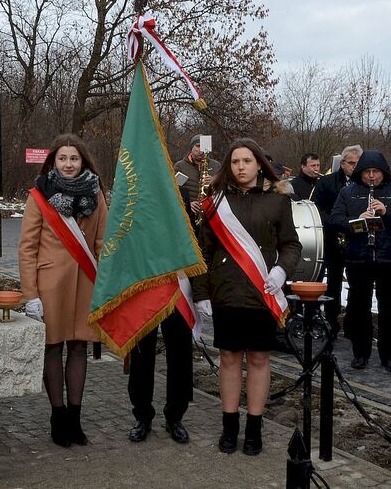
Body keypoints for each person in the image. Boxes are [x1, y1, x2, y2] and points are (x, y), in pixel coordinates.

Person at [192, 138, 302, 456]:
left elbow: (291, 244)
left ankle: (254, 429)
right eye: (235, 162)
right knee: (228, 360)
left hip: (261, 293)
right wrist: (201, 294)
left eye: (247, 161)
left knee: (258, 360)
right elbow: (203, 250)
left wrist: (282, 271)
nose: (241, 167)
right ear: (229, 165)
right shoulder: (215, 201)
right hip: (225, 293)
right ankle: (229, 428)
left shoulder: (277, 199)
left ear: (258, 165)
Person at [18, 133, 108, 446]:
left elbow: (101, 243)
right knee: (53, 347)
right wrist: (30, 294)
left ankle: (75, 417)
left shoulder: (96, 195)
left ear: (83, 161)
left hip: (86, 281)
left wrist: (106, 285)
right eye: (62, 158)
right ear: (53, 161)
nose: (68, 164)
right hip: (50, 286)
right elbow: (27, 248)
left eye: (74, 158)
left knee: (80, 346)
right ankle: (57, 416)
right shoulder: (39, 195)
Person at [330, 150, 391, 373]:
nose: (371, 176)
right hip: (358, 259)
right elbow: (335, 220)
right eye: (367, 172)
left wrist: (386, 212)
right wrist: (356, 221)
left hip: (388, 259)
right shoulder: (348, 192)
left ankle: (389, 356)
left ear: (383, 172)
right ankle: (360, 353)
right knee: (359, 308)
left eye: (375, 172)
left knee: (389, 309)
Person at [127, 183, 195, 444]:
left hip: (176, 285)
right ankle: (142, 415)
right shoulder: (136, 191)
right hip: (145, 284)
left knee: (180, 355)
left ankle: (175, 416)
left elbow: (192, 240)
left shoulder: (181, 190)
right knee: (142, 354)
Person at [311, 145, 363, 337]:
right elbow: (317, 208)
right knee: (334, 283)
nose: (355, 167)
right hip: (333, 238)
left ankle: (352, 323)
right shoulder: (328, 182)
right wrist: (337, 223)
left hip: (357, 239)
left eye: (358, 163)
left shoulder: (363, 182)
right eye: (351, 163)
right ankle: (331, 322)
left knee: (357, 285)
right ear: (342, 163)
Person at [174, 133, 221, 222]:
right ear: (191, 148)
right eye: (198, 146)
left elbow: (225, 189)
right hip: (187, 216)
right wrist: (188, 204)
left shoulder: (216, 166)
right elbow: (173, 191)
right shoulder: (180, 166)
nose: (201, 150)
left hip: (211, 215)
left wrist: (215, 181)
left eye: (204, 147)